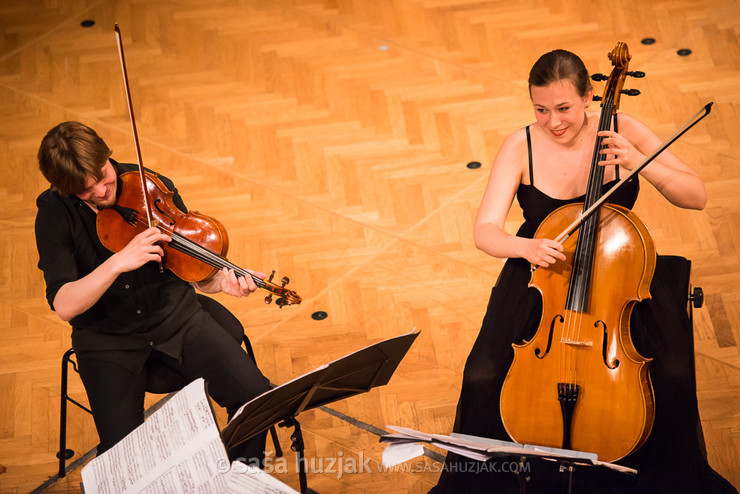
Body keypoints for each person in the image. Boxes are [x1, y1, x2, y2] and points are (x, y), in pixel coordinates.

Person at [431, 50, 736, 493]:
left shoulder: (623, 130)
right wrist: (527, 246)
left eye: (563, 108)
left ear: (590, 96)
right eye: (540, 109)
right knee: (481, 374)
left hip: (619, 271)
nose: (552, 121)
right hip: (542, 272)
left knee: (670, 373)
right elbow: (485, 231)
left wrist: (636, 162)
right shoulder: (521, 146)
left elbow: (697, 196)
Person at [35, 121, 273, 463]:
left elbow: (192, 273)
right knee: (124, 457)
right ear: (66, 189)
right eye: (87, 191)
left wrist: (221, 282)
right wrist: (118, 262)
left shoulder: (150, 187)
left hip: (177, 320)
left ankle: (239, 479)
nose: (103, 192)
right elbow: (64, 305)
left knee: (255, 398)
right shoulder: (54, 214)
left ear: (107, 156)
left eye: (103, 176)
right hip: (109, 341)